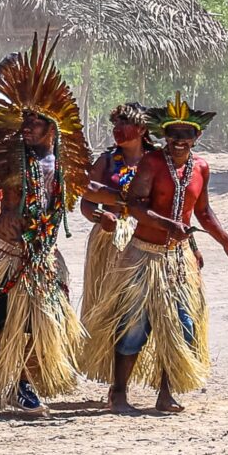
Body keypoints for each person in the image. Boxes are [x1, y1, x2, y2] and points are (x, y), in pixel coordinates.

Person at [0, 39, 91, 418]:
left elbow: (87, 194)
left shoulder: (63, 164)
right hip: (4, 255)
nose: (27, 128)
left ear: (52, 126)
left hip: (41, 256)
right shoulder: (10, 153)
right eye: (24, 121)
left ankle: (23, 385)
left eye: (35, 123)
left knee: (32, 328)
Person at [77, 96, 228, 412]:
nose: (180, 142)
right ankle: (120, 393)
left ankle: (166, 394)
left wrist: (225, 242)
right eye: (174, 135)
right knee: (133, 325)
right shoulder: (151, 164)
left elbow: (203, 211)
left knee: (180, 325)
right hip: (142, 255)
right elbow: (136, 207)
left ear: (197, 137)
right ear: (164, 136)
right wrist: (168, 225)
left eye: (186, 136)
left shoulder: (201, 168)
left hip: (177, 259)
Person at [78, 102, 152, 368]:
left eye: (124, 124)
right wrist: (100, 216)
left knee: (135, 306)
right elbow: (86, 202)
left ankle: (128, 371)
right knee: (107, 302)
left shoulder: (154, 162)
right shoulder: (106, 161)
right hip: (108, 241)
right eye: (115, 125)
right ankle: (108, 368)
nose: (117, 130)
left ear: (142, 129)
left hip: (144, 239)